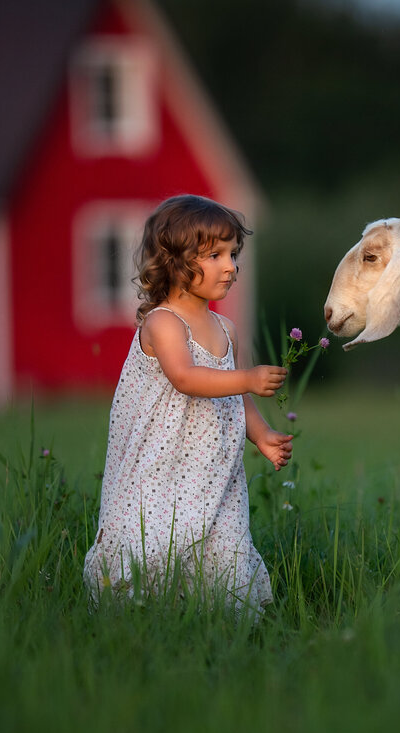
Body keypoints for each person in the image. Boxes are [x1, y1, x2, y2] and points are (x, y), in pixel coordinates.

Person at [83, 194, 291, 615]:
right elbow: (185, 377)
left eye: (233, 254)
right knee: (155, 538)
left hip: (211, 466)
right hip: (160, 462)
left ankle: (223, 614)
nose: (230, 266)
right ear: (173, 261)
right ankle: (139, 612)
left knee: (221, 536)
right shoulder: (163, 322)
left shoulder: (226, 329)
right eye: (214, 255)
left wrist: (262, 434)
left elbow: (235, 395)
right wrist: (247, 377)